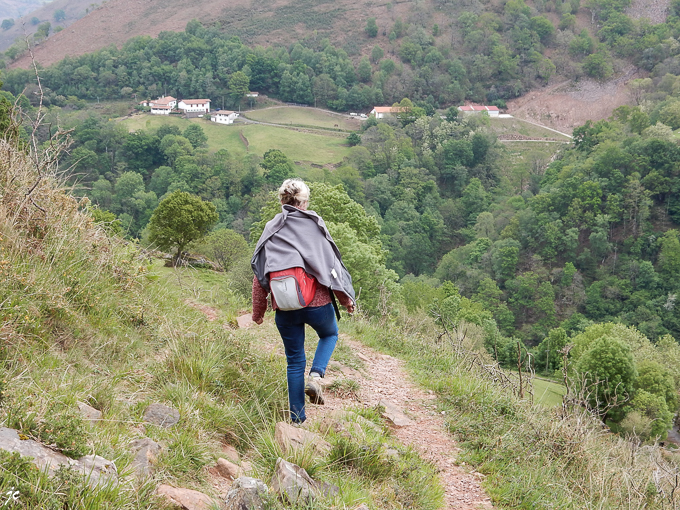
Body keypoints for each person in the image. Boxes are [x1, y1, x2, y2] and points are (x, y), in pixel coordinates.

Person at [251, 179, 355, 424]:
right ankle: (317, 375)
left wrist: (258, 311)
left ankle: (297, 420)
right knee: (329, 334)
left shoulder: (271, 228)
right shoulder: (314, 225)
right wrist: (345, 298)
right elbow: (330, 267)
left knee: (294, 361)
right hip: (317, 303)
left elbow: (260, 274)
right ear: (304, 202)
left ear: (282, 201)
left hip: (285, 306)